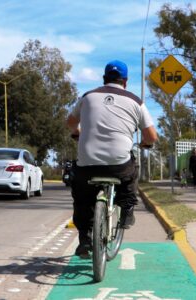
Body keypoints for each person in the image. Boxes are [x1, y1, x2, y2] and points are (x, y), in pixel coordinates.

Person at [66, 60, 158, 258]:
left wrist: (78, 133)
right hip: (118, 164)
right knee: (130, 173)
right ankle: (127, 210)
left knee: (82, 196)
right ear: (125, 81)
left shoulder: (87, 97)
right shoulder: (136, 101)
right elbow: (152, 136)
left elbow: (70, 123)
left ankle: (84, 240)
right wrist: (145, 144)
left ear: (103, 78)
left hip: (87, 163)